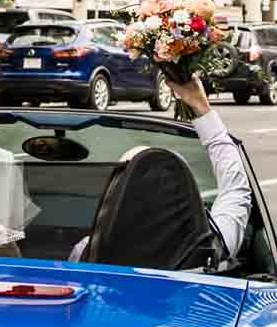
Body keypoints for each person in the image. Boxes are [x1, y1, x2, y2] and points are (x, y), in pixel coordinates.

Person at [71, 72, 253, 272]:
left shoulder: (87, 252)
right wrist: (202, 107)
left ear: (119, 195)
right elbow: (236, 189)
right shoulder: (215, 249)